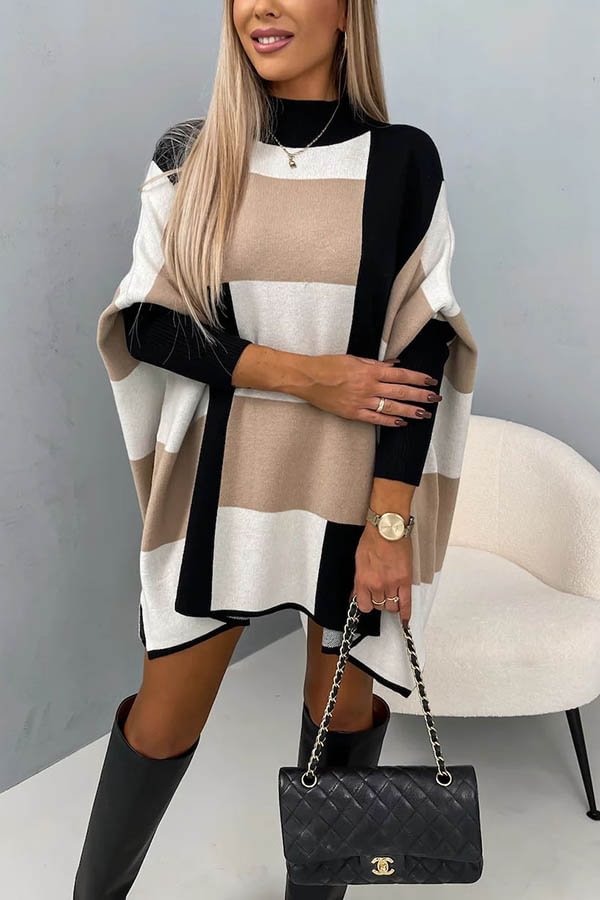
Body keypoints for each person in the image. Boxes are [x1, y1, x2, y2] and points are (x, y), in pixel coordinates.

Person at [73, 1, 476, 897]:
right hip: (219, 490)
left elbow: (421, 347)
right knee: (162, 723)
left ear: (346, 13)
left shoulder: (402, 159)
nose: (261, 6)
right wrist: (308, 377)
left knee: (342, 717)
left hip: (350, 494)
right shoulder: (191, 155)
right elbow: (145, 322)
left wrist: (390, 524)